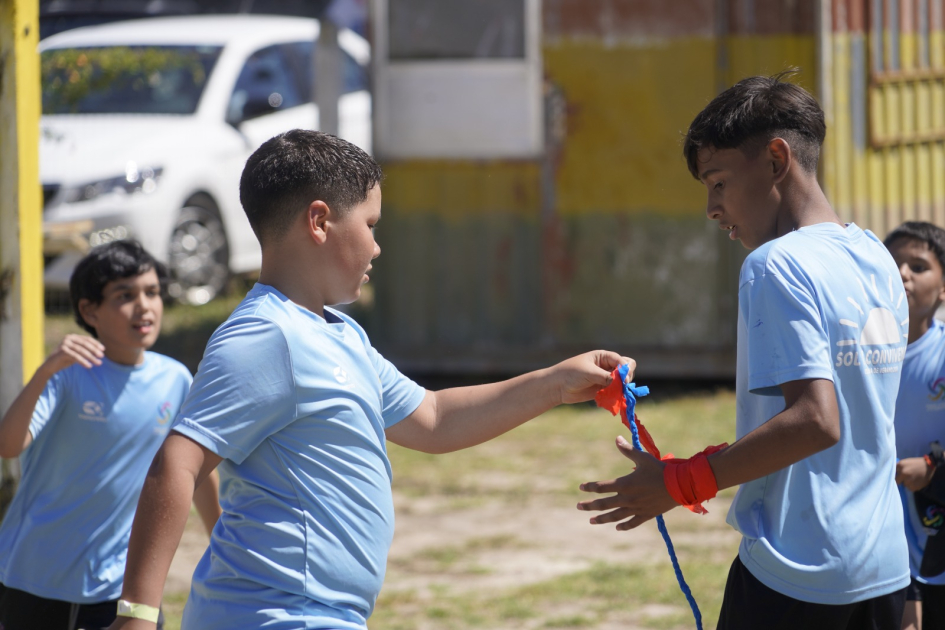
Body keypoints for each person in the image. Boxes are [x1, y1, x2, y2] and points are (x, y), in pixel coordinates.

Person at [107, 129, 632, 630]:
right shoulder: (267, 336)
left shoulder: (339, 334)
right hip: (277, 614)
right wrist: (138, 613)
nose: (378, 247)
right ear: (319, 221)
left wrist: (554, 383)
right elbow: (178, 462)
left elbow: (433, 419)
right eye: (371, 224)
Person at [577, 71, 910, 630]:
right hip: (883, 567)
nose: (711, 208)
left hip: (799, 570)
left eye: (718, 182)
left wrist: (681, 482)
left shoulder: (775, 265)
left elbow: (816, 421)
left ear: (777, 160)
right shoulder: (874, 253)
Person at [0, 239, 221, 630]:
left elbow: (197, 470)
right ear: (90, 311)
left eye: (152, 292)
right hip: (36, 578)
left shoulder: (174, 379)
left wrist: (222, 543)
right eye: (125, 295)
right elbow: (8, 445)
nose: (144, 306)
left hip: (121, 585)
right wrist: (45, 371)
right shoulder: (67, 375)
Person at [884, 222, 945, 630]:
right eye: (892, 264)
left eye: (918, 266)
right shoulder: (852, 356)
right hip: (879, 541)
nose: (903, 274)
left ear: (943, 288)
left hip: (935, 540)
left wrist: (932, 467)